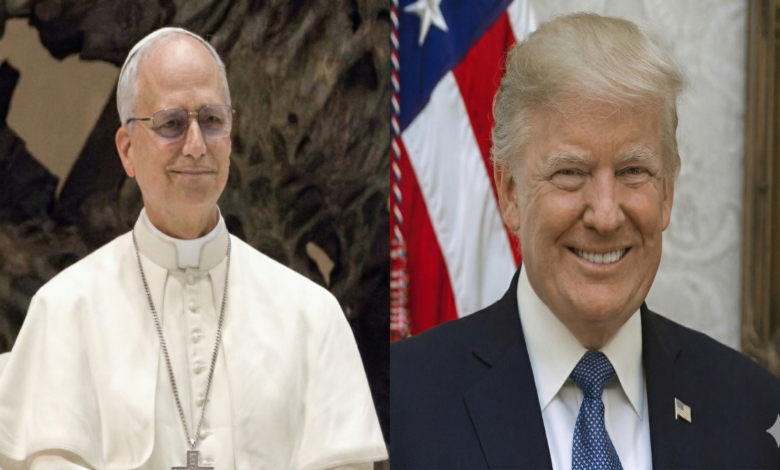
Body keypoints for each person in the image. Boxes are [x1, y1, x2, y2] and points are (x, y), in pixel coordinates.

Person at [391, 12, 780, 470]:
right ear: (511, 192)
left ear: (668, 193)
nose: (605, 214)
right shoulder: (399, 404)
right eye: (570, 173)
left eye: (634, 171)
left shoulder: (754, 412)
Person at [0, 27, 387, 469]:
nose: (196, 146)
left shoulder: (312, 317)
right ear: (127, 150)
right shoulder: (65, 311)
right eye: (171, 124)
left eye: (211, 121)